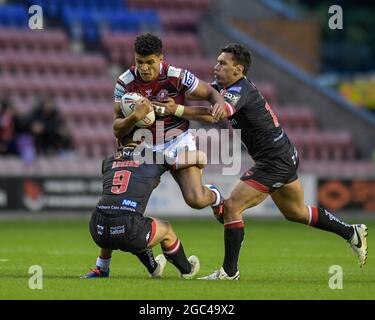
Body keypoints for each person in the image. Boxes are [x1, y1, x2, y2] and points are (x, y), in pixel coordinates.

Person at [157, 43, 368, 280]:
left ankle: (229, 272)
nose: (216, 67)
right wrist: (165, 90)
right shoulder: (225, 88)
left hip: (274, 161)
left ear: (238, 69)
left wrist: (176, 110)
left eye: (222, 63)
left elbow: (216, 114)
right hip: (283, 155)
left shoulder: (240, 89)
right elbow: (201, 92)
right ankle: (351, 231)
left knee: (232, 207)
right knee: (296, 212)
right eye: (216, 61)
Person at [113, 33, 227, 213]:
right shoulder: (124, 82)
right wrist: (134, 117)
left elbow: (210, 93)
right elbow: (117, 129)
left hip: (177, 141)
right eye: (139, 61)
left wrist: (219, 103)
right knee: (128, 203)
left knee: (196, 200)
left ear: (160, 58)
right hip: (146, 147)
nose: (144, 68)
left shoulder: (176, 76)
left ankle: (216, 197)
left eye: (150, 62)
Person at [81, 118, 207, 279]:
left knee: (113, 208)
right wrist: (200, 166)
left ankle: (103, 267)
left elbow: (123, 188)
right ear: (143, 139)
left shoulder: (107, 161)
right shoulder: (155, 158)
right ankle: (187, 270)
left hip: (97, 228)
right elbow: (200, 157)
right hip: (128, 230)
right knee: (163, 229)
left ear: (118, 139)